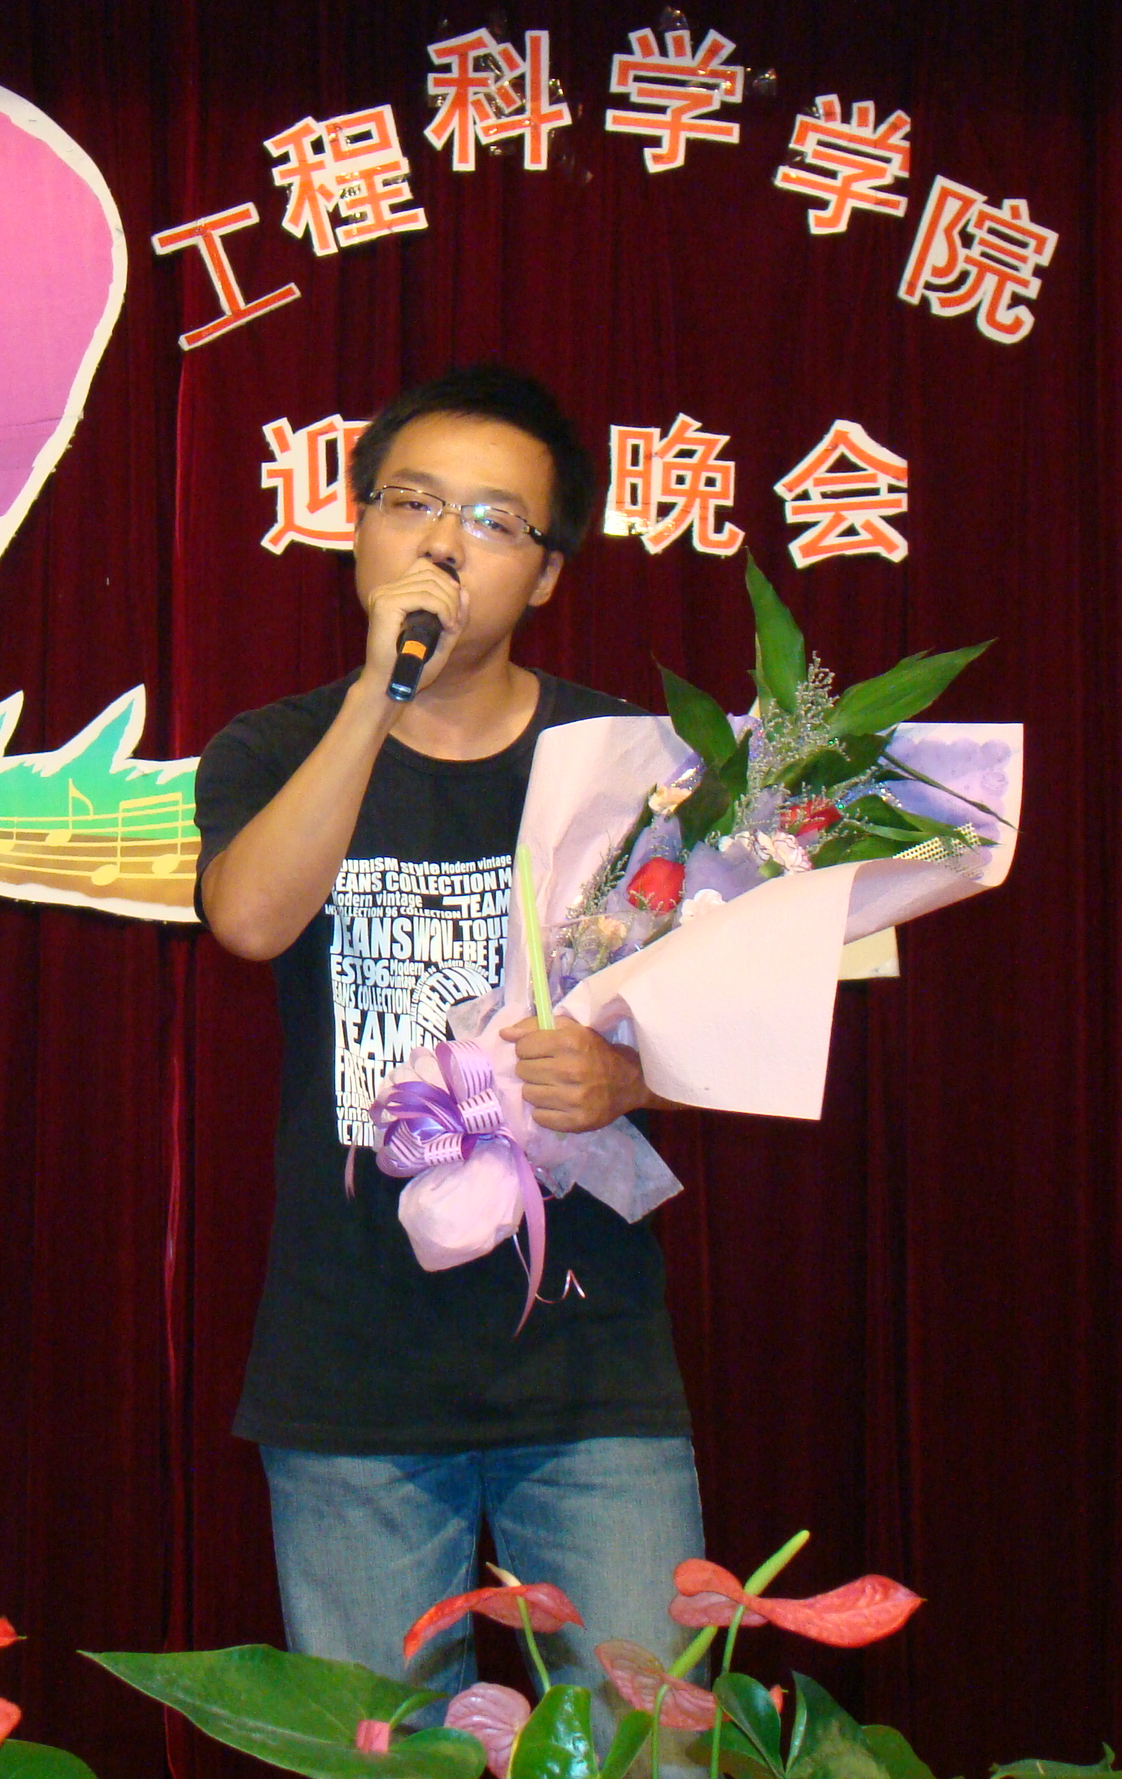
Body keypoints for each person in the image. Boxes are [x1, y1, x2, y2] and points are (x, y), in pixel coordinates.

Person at [194, 365, 701, 1706]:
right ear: (357, 526)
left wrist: (628, 1078)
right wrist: (380, 693)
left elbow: (723, 1018)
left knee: (648, 1745)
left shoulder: (628, 761)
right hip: (351, 1368)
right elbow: (249, 920)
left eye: (491, 519)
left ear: (546, 573)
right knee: (378, 1752)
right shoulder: (274, 747)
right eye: (410, 503)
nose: (441, 544)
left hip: (588, 1369)